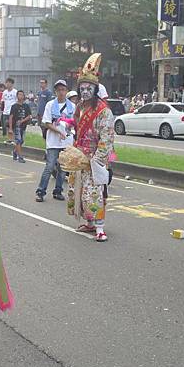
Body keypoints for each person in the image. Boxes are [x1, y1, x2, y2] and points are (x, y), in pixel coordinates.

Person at [67, 54, 114, 242]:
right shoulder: (79, 107)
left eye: (89, 88)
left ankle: (100, 227)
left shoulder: (103, 110)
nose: (85, 91)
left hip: (95, 158)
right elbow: (78, 130)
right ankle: (90, 222)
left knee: (94, 193)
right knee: (79, 191)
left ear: (95, 90)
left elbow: (107, 136)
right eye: (82, 88)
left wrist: (98, 158)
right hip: (79, 156)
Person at [36, 79, 76, 202]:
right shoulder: (50, 105)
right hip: (53, 141)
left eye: (63, 90)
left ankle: (58, 191)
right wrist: (59, 131)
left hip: (66, 142)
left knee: (63, 168)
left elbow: (75, 123)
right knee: (50, 166)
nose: (61, 92)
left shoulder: (72, 106)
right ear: (55, 91)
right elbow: (47, 123)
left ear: (66, 91)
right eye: (59, 90)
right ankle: (41, 191)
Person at [9, 90, 32, 163]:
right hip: (16, 126)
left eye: (22, 95)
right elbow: (11, 117)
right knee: (18, 141)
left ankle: (15, 151)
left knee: (21, 141)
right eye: (19, 95)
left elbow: (29, 116)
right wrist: (10, 128)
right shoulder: (14, 106)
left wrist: (23, 121)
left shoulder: (26, 106)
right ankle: (20, 156)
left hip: (23, 125)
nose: (20, 96)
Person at [1, 77, 17, 141]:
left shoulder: (15, 92)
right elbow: (3, 101)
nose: (7, 84)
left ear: (12, 84)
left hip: (12, 111)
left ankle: (14, 139)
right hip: (5, 111)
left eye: (9, 83)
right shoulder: (4, 92)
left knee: (13, 125)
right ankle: (9, 139)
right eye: (6, 82)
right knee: (6, 125)